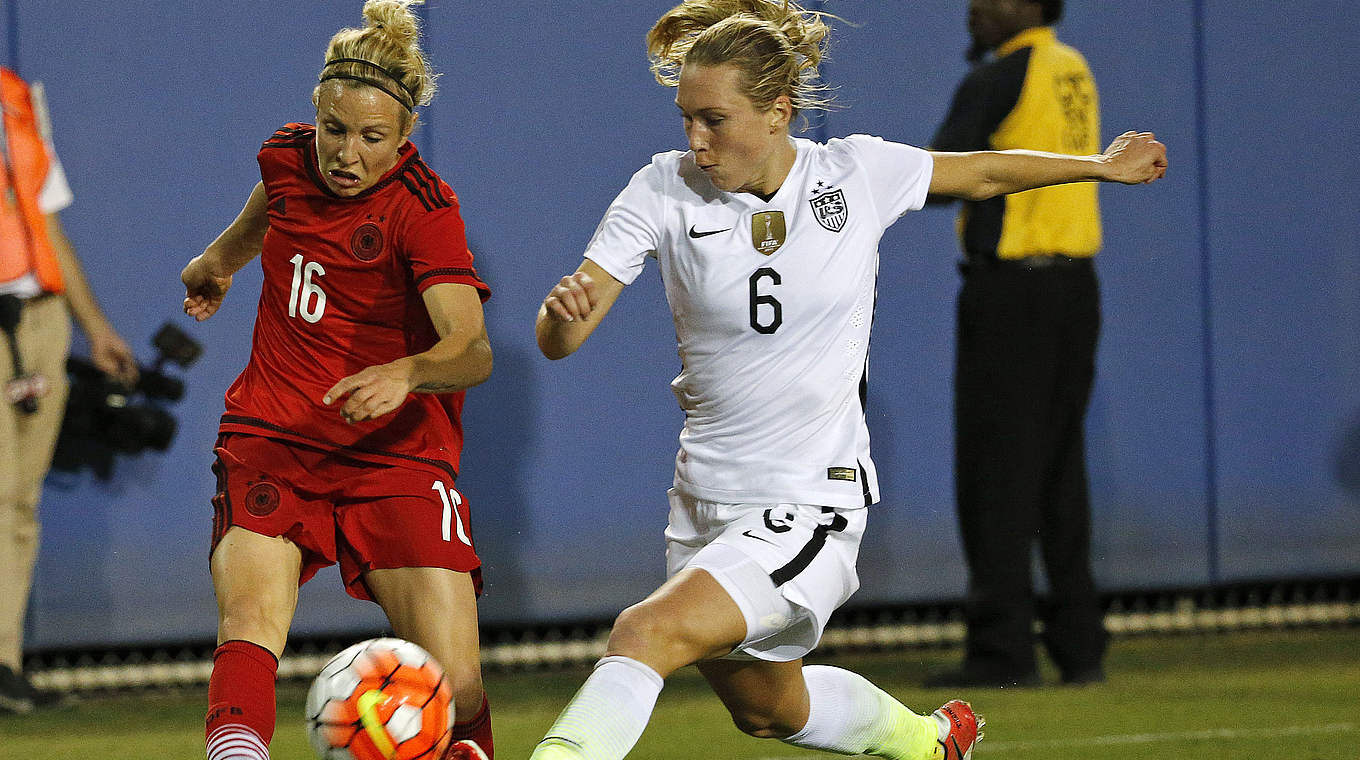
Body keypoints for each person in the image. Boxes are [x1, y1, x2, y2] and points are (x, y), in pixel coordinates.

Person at [531, 1, 1164, 758]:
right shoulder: (662, 188)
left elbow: (984, 171)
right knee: (768, 710)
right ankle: (930, 743)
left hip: (808, 499)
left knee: (643, 631)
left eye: (714, 119)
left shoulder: (852, 173)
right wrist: (562, 319)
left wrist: (1096, 165)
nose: (696, 141)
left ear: (777, 113)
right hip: (702, 499)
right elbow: (560, 337)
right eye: (686, 120)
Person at [180, 2, 494, 758]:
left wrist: (410, 371)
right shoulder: (287, 160)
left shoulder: (425, 210)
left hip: (396, 451)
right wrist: (213, 267)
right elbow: (263, 222)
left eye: (370, 137)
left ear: (404, 137)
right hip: (274, 431)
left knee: (459, 680)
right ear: (315, 116)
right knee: (251, 621)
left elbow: (472, 350)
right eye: (334, 129)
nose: (345, 153)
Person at [927, 0, 1113, 688]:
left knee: (996, 473)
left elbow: (939, 179)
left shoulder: (1000, 76)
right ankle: (1080, 645)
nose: (976, 8)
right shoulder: (1073, 67)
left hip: (1012, 295)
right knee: (1061, 470)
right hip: (1076, 289)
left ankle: (1002, 651)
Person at [0, 66, 138, 714]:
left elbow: (47, 221)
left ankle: (5, 666)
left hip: (41, 317)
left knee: (18, 504)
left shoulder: (17, 97)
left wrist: (94, 326)